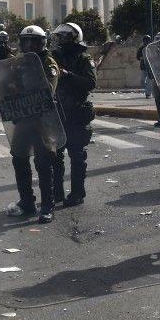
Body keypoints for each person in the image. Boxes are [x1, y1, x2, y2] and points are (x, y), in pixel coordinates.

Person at [6, 25, 60, 224]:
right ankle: (27, 201)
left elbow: (48, 89)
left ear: (42, 43)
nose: (28, 45)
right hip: (23, 117)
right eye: (25, 41)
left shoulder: (48, 63)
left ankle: (48, 206)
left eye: (33, 42)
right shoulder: (18, 63)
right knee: (19, 158)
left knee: (43, 162)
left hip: (43, 119)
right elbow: (7, 85)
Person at [51, 23, 96, 207]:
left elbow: (90, 83)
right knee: (55, 156)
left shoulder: (84, 59)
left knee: (77, 156)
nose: (60, 40)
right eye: (59, 37)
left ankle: (77, 193)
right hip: (57, 112)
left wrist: (68, 75)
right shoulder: (54, 57)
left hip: (76, 112)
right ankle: (57, 193)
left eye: (63, 37)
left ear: (73, 38)